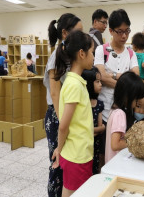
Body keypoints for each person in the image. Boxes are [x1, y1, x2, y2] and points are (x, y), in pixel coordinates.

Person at [44, 13, 82, 197]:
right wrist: (62, 122)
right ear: (65, 33)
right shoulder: (56, 57)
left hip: (65, 114)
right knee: (57, 163)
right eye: (79, 32)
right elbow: (54, 92)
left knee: (67, 161)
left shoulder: (69, 56)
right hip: (56, 116)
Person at [51, 30, 94, 197]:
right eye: (91, 52)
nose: (93, 57)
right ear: (82, 53)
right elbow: (63, 126)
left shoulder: (75, 82)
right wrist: (59, 151)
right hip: (77, 155)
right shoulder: (74, 85)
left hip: (80, 153)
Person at [94, 9, 139, 165]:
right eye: (120, 32)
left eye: (127, 31)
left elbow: (136, 78)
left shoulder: (131, 53)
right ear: (111, 31)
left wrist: (111, 75)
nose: (124, 36)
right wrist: (123, 78)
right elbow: (101, 77)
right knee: (102, 155)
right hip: (104, 113)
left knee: (123, 155)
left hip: (124, 114)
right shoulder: (102, 50)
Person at [105, 71, 144, 163]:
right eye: (136, 98)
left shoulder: (114, 110)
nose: (137, 102)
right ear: (127, 96)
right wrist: (136, 142)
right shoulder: (120, 114)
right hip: (116, 164)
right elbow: (115, 144)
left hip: (112, 163)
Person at [82, 67, 105, 174]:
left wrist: (91, 130)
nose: (100, 84)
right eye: (97, 81)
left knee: (94, 169)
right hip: (83, 146)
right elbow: (99, 128)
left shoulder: (99, 104)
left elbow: (101, 128)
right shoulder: (81, 103)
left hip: (95, 146)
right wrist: (96, 130)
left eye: (100, 81)